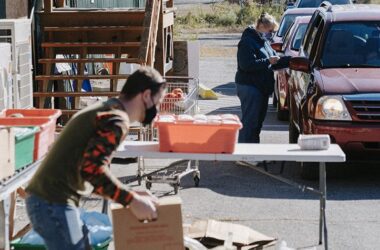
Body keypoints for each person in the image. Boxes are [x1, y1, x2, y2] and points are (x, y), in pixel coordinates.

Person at [25, 67, 167, 250]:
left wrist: (132, 195)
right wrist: (131, 200)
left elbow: (91, 170)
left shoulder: (109, 109)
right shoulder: (116, 120)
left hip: (50, 200)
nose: (157, 108)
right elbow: (92, 170)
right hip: (53, 202)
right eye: (158, 101)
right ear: (146, 95)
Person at [235, 13, 290, 144]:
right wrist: (268, 61)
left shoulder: (263, 41)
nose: (271, 34)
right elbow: (246, 65)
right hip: (250, 87)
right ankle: (245, 153)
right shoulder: (247, 42)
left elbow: (275, 61)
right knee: (250, 122)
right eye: (270, 31)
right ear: (261, 26)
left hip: (261, 87)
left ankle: (254, 151)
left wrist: (291, 61)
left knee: (257, 122)